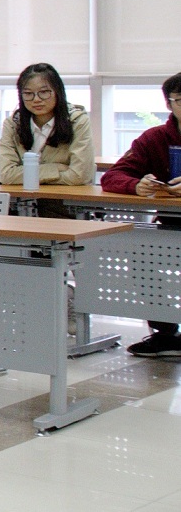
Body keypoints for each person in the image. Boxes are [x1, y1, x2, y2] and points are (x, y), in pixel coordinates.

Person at [102, 73, 181, 359]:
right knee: (142, 250)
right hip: (171, 224)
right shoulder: (155, 138)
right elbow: (113, 176)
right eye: (180, 100)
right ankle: (165, 333)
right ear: (169, 104)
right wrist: (136, 185)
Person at [0, 63, 94, 187]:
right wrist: (55, 169)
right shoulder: (13, 124)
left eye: (44, 92)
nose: (36, 99)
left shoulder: (77, 121)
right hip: (22, 197)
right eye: (28, 93)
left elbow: (79, 176)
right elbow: (6, 175)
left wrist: (26, 175)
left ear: (58, 92)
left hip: (64, 197)